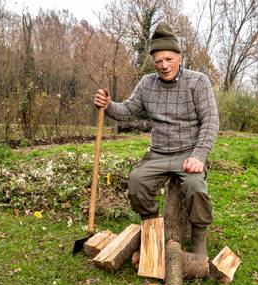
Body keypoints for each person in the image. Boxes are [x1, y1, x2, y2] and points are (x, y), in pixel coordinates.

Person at [93, 22, 219, 257]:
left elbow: (211, 121)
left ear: (179, 57)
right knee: (136, 181)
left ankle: (199, 241)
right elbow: (127, 110)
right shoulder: (147, 83)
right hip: (158, 153)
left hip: (188, 152)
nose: (163, 65)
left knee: (195, 187)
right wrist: (108, 105)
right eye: (158, 61)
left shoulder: (198, 81)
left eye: (168, 59)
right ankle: (151, 226)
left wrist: (199, 155)